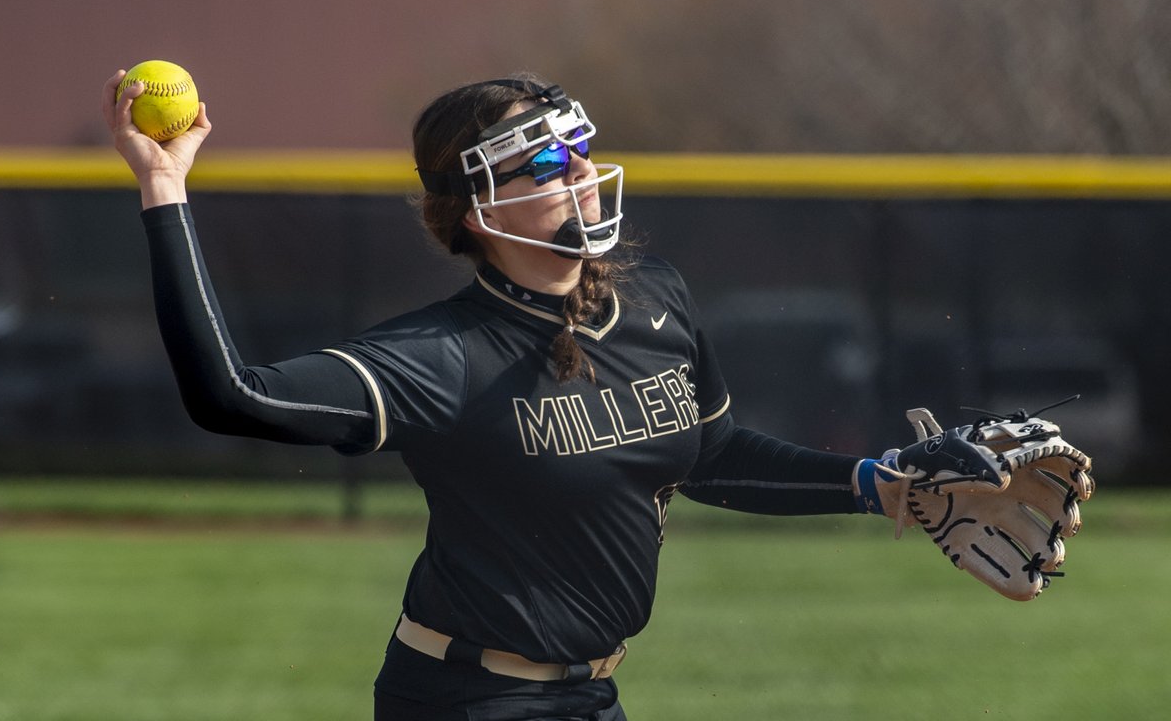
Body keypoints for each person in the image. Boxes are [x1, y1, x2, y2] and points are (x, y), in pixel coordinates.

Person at [102, 70, 983, 720]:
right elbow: (233, 395)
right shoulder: (442, 354)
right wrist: (163, 187)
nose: (581, 171)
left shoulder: (653, 300)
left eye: (582, 150)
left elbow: (708, 455)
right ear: (481, 203)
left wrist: (877, 480)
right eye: (551, 160)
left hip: (591, 700)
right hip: (466, 699)